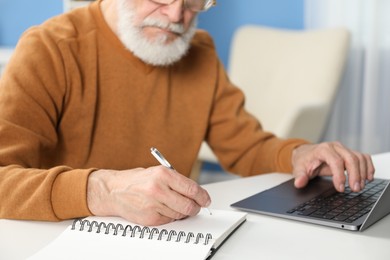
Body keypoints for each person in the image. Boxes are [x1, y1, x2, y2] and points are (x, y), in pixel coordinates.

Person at [0, 0, 374, 226]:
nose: (177, 15)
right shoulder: (50, 47)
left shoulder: (199, 50)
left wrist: (298, 154)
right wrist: (101, 191)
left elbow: (244, 145)